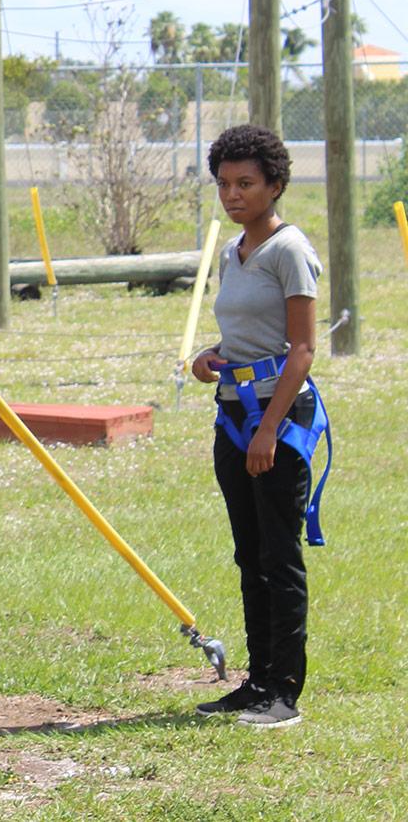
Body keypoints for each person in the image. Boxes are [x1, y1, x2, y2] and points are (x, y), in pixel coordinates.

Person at [190, 124, 327, 729]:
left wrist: (270, 430)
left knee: (280, 555)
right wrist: (208, 356)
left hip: (279, 419)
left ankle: (285, 693)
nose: (233, 194)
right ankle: (257, 681)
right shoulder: (233, 252)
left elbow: (301, 350)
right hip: (233, 415)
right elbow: (244, 334)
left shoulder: (289, 250)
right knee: (250, 556)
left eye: (246, 183)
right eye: (224, 183)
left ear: (275, 184)